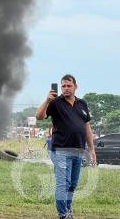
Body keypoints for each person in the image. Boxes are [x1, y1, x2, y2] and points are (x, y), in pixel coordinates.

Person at [36, 74, 96, 219]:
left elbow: (87, 127)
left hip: (78, 150)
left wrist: (91, 150)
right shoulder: (55, 103)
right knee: (63, 184)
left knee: (72, 185)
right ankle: (63, 214)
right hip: (60, 150)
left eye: (69, 85)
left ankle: (67, 210)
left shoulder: (82, 104)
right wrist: (47, 101)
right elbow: (39, 116)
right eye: (63, 86)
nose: (66, 88)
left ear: (75, 87)